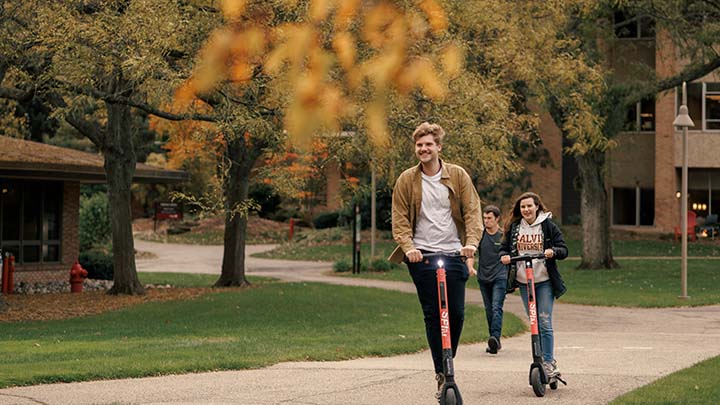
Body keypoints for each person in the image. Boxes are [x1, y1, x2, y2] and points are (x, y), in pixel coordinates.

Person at [388, 122, 482, 398]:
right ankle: (442, 373)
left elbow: (472, 211)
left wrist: (471, 244)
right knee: (433, 314)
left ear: (439, 147)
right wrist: (409, 247)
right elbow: (400, 219)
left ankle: (447, 360)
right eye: (419, 145)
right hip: (422, 256)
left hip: (454, 252)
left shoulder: (458, 175)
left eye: (428, 144)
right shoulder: (407, 179)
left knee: (456, 313)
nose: (423, 149)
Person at [499, 192, 568, 378]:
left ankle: (548, 361)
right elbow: (503, 249)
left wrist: (552, 251)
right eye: (523, 207)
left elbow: (564, 249)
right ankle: (539, 359)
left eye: (529, 206)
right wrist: (504, 257)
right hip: (524, 282)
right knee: (534, 322)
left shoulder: (547, 225)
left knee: (544, 321)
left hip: (544, 281)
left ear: (537, 206)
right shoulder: (514, 227)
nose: (526, 210)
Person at [467, 205, 507, 355]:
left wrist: (513, 281)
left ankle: (494, 339)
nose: (486, 221)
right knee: (489, 310)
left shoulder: (503, 236)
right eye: (484, 218)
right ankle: (494, 341)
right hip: (483, 277)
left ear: (497, 219)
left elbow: (512, 259)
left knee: (497, 307)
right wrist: (470, 268)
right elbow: (471, 253)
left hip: (500, 277)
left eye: (489, 218)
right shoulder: (480, 235)